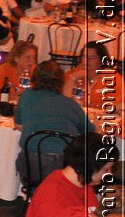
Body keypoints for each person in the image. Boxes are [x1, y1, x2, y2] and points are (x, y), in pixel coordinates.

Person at [14, 60, 96, 188]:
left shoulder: (26, 96)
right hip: (62, 166)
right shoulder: (70, 104)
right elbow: (89, 132)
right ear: (61, 81)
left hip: (29, 164)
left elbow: (18, 124)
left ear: (34, 77)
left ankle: (38, 199)